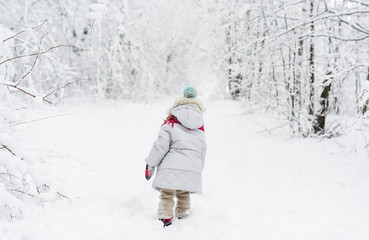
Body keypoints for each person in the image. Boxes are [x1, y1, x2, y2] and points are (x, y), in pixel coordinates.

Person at [145, 87, 207, 227]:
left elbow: (160, 146)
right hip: (192, 167)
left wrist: (151, 164)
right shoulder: (200, 130)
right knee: (184, 193)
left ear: (176, 106)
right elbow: (202, 152)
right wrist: (197, 170)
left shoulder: (170, 124)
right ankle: (183, 214)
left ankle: (165, 217)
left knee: (167, 193)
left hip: (170, 167)